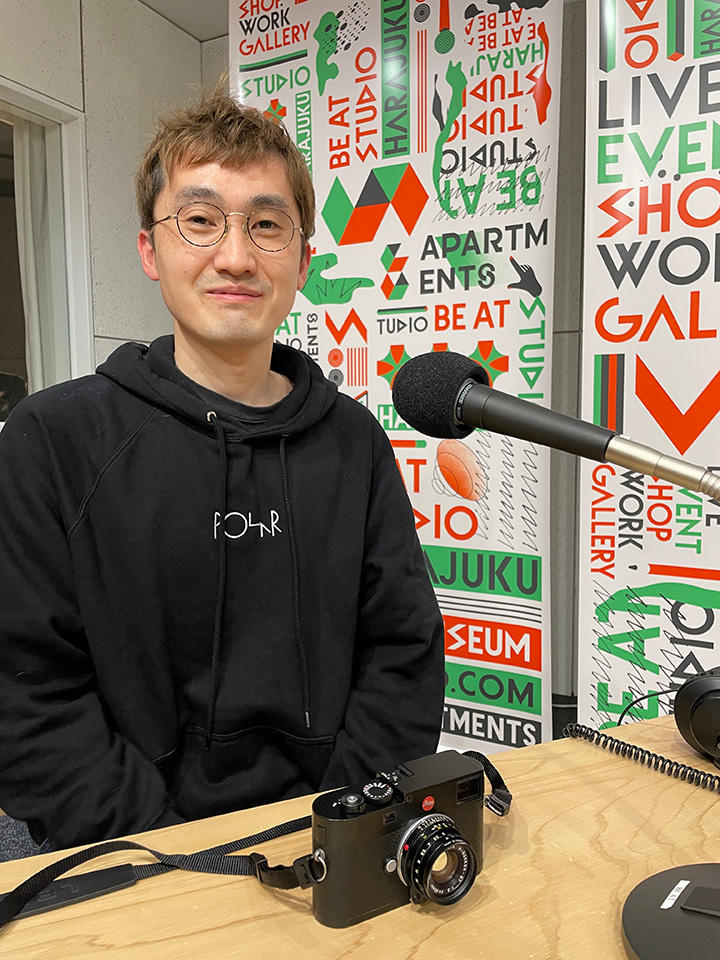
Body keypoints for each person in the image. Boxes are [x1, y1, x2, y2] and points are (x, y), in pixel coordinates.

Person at [0, 88, 444, 851]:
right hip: (129, 853)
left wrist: (337, 825)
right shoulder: (52, 440)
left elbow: (402, 655)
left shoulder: (355, 443)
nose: (235, 257)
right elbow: (26, 694)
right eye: (200, 221)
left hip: (332, 840)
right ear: (150, 250)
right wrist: (171, 859)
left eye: (266, 225)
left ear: (302, 260)